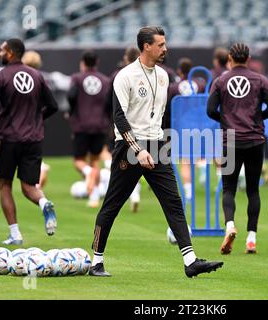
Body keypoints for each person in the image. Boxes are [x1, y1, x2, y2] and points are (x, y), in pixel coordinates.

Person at [89, 26, 223, 278]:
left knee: (173, 201)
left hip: (157, 146)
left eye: (165, 43)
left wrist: (163, 144)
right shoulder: (124, 76)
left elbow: (162, 116)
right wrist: (137, 150)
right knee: (113, 205)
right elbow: (119, 118)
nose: (165, 48)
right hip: (129, 148)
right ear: (146, 46)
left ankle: (190, 261)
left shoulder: (163, 77)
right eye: (160, 45)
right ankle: (96, 261)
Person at [0, 38, 58, 245]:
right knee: (29, 186)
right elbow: (53, 106)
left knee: (5, 184)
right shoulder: (37, 75)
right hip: (33, 139)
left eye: (2, 50)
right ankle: (44, 203)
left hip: (8, 139)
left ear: (11, 53)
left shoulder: (0, 77)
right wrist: (36, 119)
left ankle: (15, 234)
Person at [207, 43, 268, 255]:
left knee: (228, 188)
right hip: (255, 140)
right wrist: (257, 118)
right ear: (248, 58)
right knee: (253, 190)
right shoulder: (261, 80)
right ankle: (251, 239)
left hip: (230, 140)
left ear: (230, 58)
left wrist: (226, 120)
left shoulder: (220, 81)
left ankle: (229, 226)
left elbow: (210, 110)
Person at [67, 50, 112, 208]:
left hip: (82, 125)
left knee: (79, 160)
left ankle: (87, 173)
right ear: (97, 62)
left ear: (83, 63)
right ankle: (94, 197)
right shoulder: (105, 80)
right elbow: (109, 103)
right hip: (100, 125)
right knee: (95, 160)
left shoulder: (77, 78)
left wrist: (71, 112)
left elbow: (71, 96)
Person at [166, 57, 205, 201]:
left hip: (181, 127)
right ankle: (201, 171)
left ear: (179, 71)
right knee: (197, 156)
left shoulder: (173, 87)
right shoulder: (201, 85)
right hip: (200, 126)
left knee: (185, 160)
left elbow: (167, 109)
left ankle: (188, 191)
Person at [109, 47, 142, 212]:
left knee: (121, 173)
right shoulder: (156, 75)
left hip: (124, 131)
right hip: (147, 132)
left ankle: (133, 194)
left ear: (126, 58)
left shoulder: (119, 76)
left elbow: (112, 105)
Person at [21, 50, 51, 190]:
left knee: (19, 152)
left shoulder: (19, 78)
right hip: (36, 121)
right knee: (33, 150)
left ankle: (39, 173)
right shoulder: (40, 78)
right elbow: (49, 103)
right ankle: (40, 169)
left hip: (20, 121)